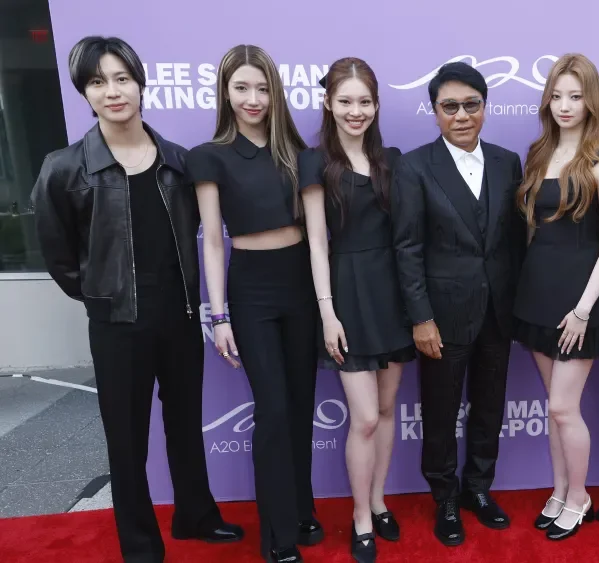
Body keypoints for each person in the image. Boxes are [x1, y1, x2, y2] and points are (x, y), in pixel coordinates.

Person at [31, 36, 243, 563]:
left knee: (185, 426)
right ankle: (142, 544)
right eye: (97, 82)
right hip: (116, 324)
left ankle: (196, 516)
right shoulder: (65, 168)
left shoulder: (178, 162)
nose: (112, 91)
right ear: (84, 93)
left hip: (179, 316)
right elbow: (59, 255)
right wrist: (100, 298)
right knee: (127, 442)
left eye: (121, 78)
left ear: (141, 84)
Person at [187, 45, 320, 563]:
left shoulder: (298, 153)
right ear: (225, 92)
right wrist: (219, 314)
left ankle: (302, 510)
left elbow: (316, 236)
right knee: (274, 409)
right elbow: (212, 242)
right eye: (242, 87)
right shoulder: (210, 156)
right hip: (251, 292)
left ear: (276, 92)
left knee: (301, 405)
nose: (253, 99)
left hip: (300, 285)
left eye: (263, 88)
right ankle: (278, 536)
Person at [391, 61, 525, 547]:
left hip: (498, 313)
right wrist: (421, 317)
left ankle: (478, 489)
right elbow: (407, 248)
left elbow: (514, 242)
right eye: (450, 106)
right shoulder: (414, 166)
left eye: (471, 104)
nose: (462, 115)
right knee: (441, 412)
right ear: (435, 111)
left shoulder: (509, 162)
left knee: (490, 407)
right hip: (442, 317)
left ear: (485, 107)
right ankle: (445, 497)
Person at [513, 53, 599, 542]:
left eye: (575, 96)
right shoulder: (538, 154)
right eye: (557, 96)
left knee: (564, 408)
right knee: (555, 407)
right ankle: (560, 489)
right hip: (538, 292)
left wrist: (584, 310)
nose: (565, 105)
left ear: (592, 102)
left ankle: (580, 496)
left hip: (583, 300)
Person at [299, 57, 414, 563]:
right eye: (345, 101)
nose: (355, 111)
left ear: (376, 104)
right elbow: (317, 243)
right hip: (346, 294)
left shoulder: (392, 160)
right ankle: (361, 516)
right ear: (328, 103)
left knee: (386, 411)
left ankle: (379, 500)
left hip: (392, 295)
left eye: (364, 101)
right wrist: (327, 311)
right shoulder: (314, 162)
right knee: (364, 417)